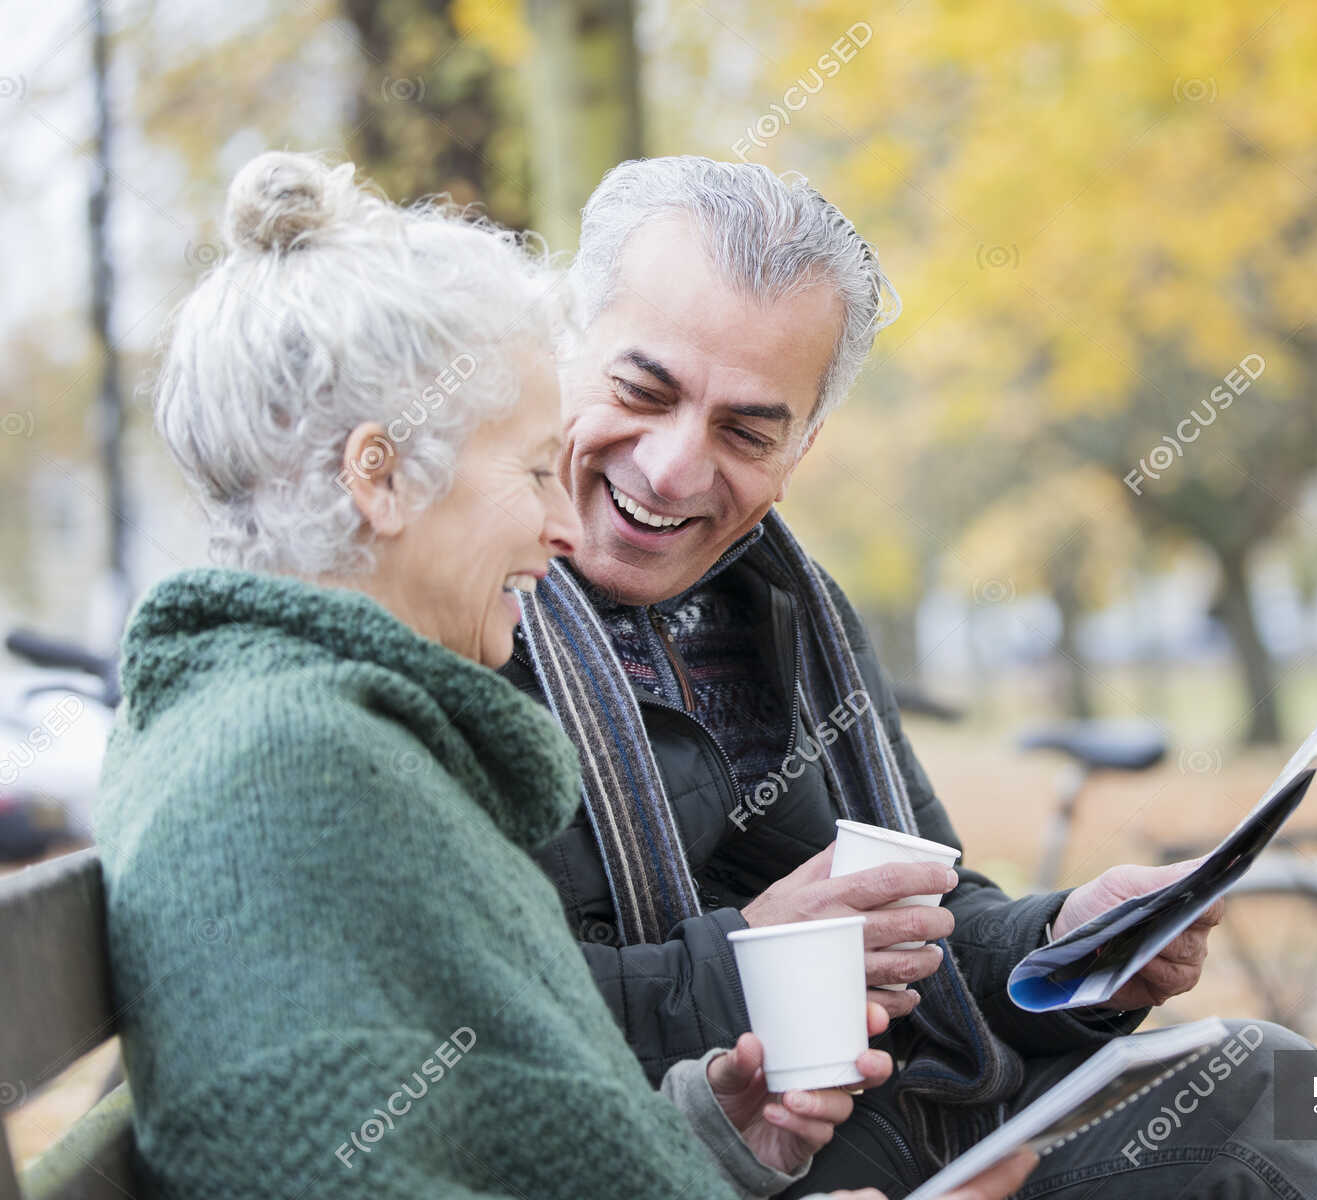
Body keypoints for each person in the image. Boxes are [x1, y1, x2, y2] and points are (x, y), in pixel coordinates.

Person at [96, 149, 1031, 1200]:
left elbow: (497, 1115)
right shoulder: (290, 765)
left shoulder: (327, 731)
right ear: (384, 474)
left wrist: (715, 1139)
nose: (559, 521)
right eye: (536, 469)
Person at [505, 155, 1317, 1197]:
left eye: (746, 431)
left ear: (802, 448)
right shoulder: (458, 614)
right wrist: (741, 966)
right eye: (644, 390)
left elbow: (933, 917)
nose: (673, 468)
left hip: (929, 1136)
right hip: (691, 1165)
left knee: (1264, 1088)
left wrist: (1067, 940)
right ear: (560, 349)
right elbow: (446, 1023)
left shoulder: (791, 614)